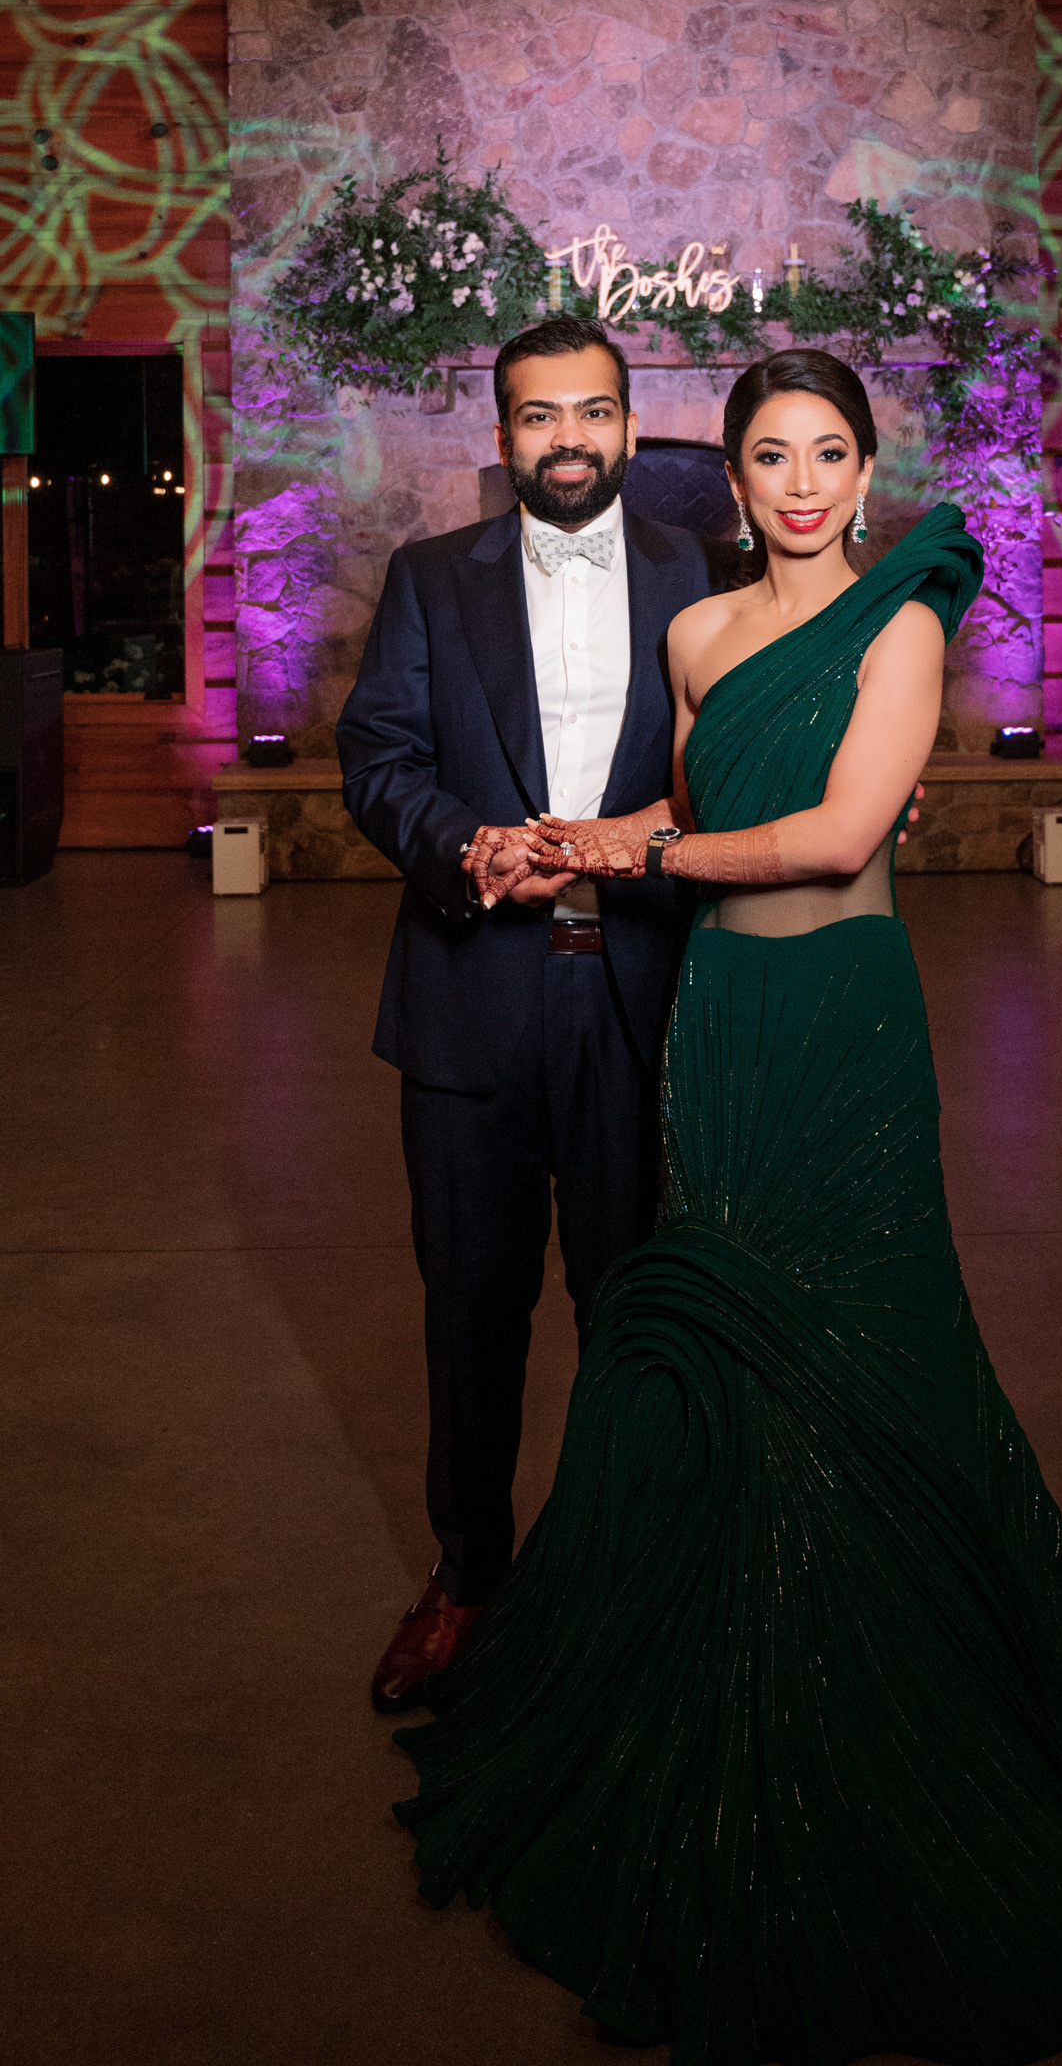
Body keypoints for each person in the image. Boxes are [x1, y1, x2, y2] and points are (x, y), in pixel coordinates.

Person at [394, 349, 1062, 2066]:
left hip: (843, 1036)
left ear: (868, 476)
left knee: (873, 1347)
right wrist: (573, 838)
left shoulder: (905, 627)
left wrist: (614, 859)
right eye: (770, 454)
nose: (799, 482)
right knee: (729, 1360)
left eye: (829, 454)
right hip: (715, 1028)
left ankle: (905, 1690)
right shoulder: (700, 636)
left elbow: (830, 833)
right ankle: (726, 1663)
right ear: (731, 479)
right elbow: (698, 808)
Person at [336, 312, 711, 1711]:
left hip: (643, 995)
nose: (569, 440)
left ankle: (631, 1574)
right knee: (471, 1311)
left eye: (593, 413)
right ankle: (468, 1574)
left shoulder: (699, 578)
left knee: (636, 1308)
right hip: (471, 999)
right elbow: (374, 751)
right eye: (540, 417)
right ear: (503, 438)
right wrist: (459, 842)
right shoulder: (431, 578)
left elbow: (732, 759)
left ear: (628, 424)